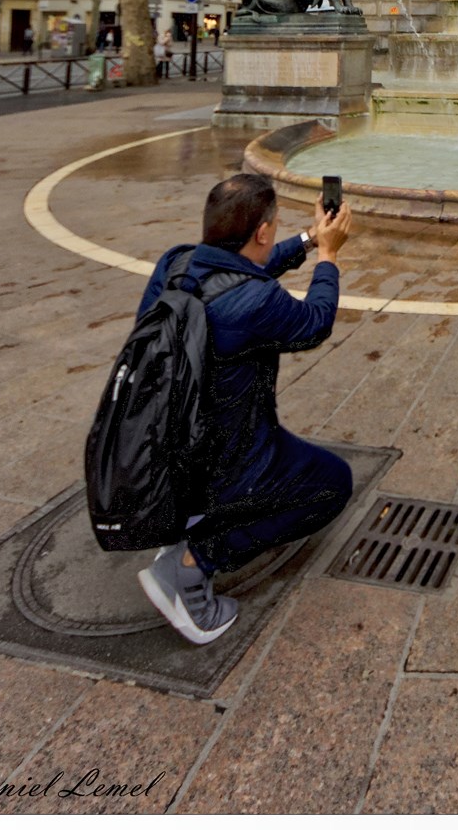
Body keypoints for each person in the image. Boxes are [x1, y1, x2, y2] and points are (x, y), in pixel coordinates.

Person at [135, 172, 354, 645]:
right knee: (332, 485)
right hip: (228, 456)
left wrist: (308, 240)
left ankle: (190, 517)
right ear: (261, 232)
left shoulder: (176, 263)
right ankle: (194, 562)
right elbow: (315, 323)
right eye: (273, 227)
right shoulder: (254, 302)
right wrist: (330, 256)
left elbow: (241, 274)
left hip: (158, 446)